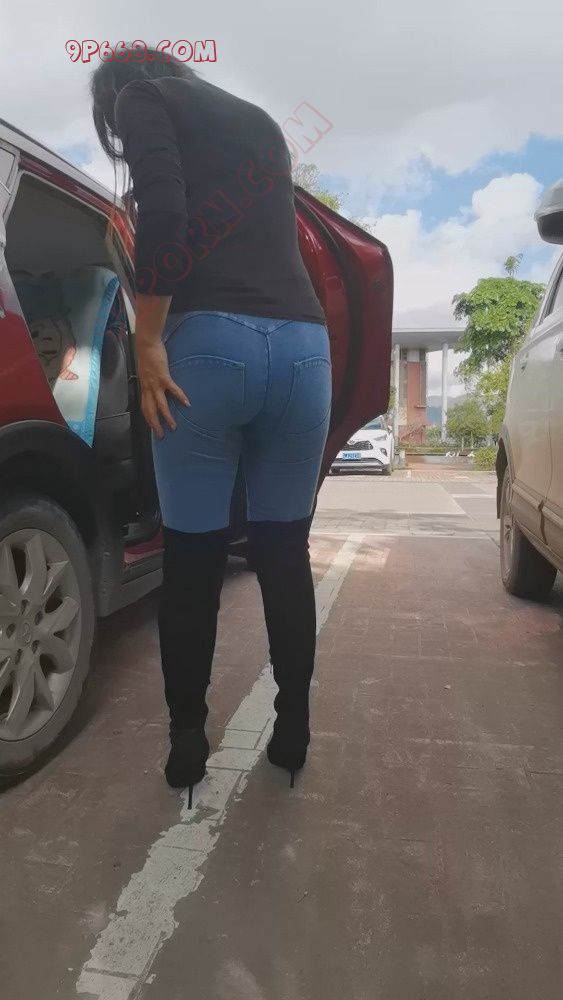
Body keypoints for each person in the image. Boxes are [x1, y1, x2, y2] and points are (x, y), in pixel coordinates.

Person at [91, 47, 332, 805]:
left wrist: (148, 341)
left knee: (193, 561)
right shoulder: (259, 121)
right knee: (283, 552)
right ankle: (292, 730)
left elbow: (165, 217)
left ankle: (188, 745)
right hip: (303, 349)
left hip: (208, 348)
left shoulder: (142, 97)